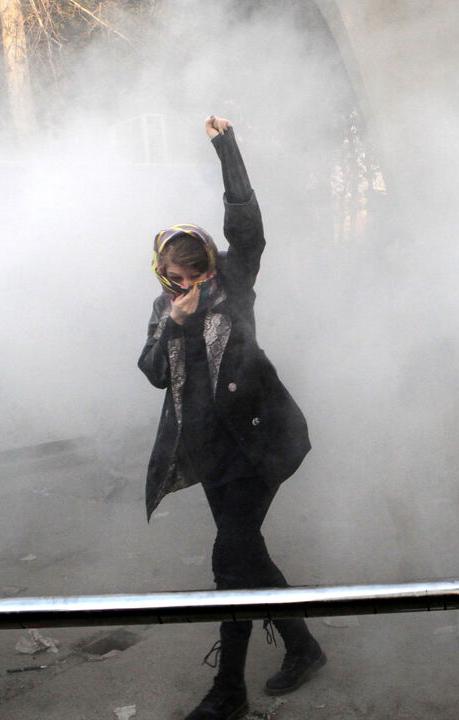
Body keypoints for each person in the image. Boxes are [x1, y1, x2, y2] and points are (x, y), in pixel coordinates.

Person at [138, 116, 325, 720]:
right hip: (211, 456)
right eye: (174, 278)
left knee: (230, 562)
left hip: (260, 449)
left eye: (194, 276)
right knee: (249, 556)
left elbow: (248, 231)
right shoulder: (164, 310)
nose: (184, 287)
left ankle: (229, 691)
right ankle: (303, 647)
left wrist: (228, 148)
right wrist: (175, 322)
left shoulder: (234, 286)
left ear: (211, 269)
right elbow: (153, 372)